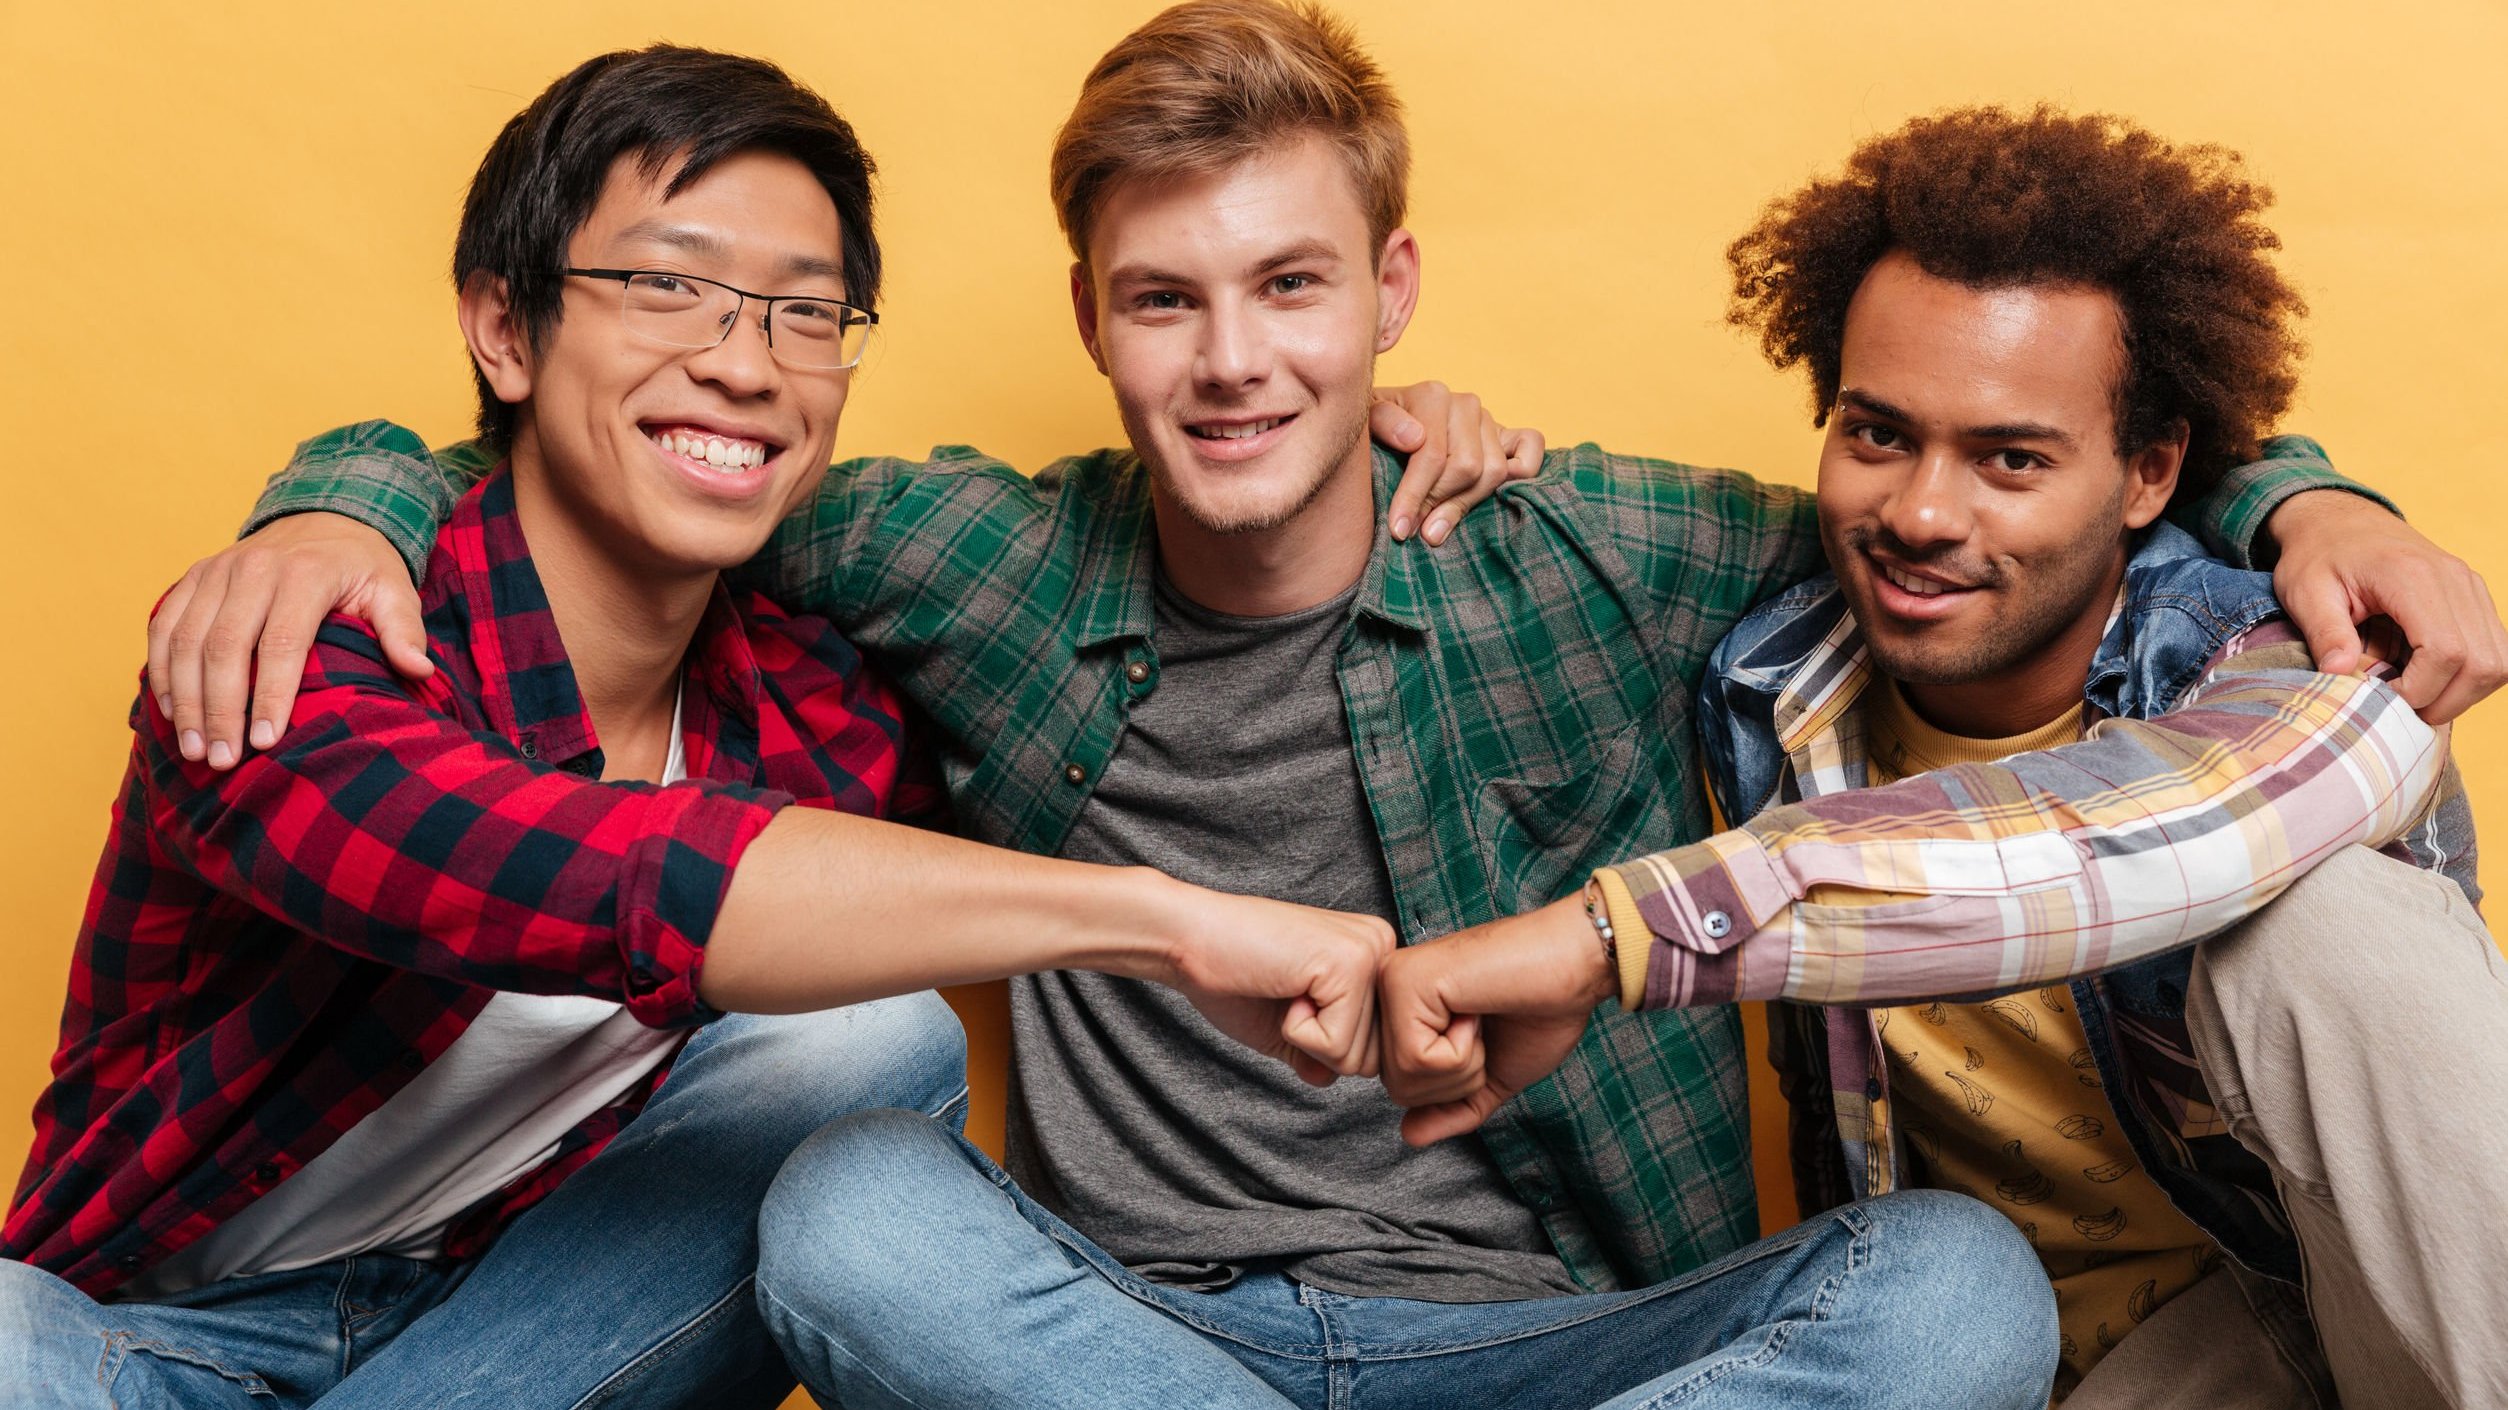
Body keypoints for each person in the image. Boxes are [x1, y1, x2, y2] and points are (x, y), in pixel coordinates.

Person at [144, 3, 2504, 1406]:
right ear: (1090, 321)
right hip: (1136, 1344)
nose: (1235, 357)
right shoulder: (961, 556)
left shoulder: (1600, 542)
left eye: (1290, 284)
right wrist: (340, 500)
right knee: (850, 1199)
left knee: (1947, 1292)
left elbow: (2003, 505)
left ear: (1389, 291)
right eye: (1164, 300)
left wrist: (2306, 486)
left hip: (1557, 1347)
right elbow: (624, 446)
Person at [1, 44, 1476, 1410]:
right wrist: (1168, 921)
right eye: (671, 288)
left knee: (860, 1045)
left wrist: (1335, 417)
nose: (745, 362)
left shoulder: (820, 708)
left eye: (802, 309)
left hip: (540, 1342)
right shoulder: (293, 636)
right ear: (504, 327)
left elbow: (1203, 614)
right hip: (146, 1345)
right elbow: (603, 875)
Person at [1374, 108, 2507, 1407]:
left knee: (2331, 921)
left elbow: (2146, 833)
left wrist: (1609, 939)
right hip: (2017, 1357)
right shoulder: (1771, 676)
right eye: (1877, 433)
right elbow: (1517, 532)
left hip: (2346, 1323)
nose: (1920, 511)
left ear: (2151, 473)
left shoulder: (2296, 648)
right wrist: (1396, 433)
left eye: (2010, 458)